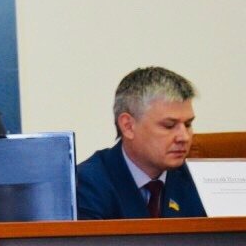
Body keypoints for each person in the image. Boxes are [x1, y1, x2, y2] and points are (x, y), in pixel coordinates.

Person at [76, 66, 206, 220]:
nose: (184, 137)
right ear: (128, 126)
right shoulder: (87, 184)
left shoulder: (199, 180)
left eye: (188, 124)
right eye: (169, 126)